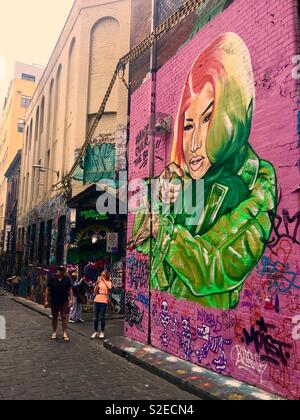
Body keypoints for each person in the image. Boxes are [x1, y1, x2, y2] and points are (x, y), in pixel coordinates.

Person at [128, 32, 277, 310]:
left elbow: (217, 268)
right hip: (170, 319)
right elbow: (144, 247)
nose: (194, 143)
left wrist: (163, 229)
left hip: (217, 333)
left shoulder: (256, 180)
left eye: (208, 119)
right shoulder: (185, 179)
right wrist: (158, 198)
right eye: (187, 125)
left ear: (231, 115)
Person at [45, 266, 73, 342]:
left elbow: (70, 289)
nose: (60, 272)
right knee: (54, 317)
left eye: (62, 271)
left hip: (64, 301)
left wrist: (71, 300)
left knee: (64, 317)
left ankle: (64, 333)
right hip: (54, 301)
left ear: (63, 272)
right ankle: (54, 332)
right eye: (59, 270)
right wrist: (46, 300)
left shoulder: (67, 279)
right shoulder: (52, 278)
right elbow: (48, 289)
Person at [91, 271, 112, 339]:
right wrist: (97, 284)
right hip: (97, 299)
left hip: (104, 300)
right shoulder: (99, 282)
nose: (102, 276)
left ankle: (102, 331)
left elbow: (109, 287)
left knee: (102, 317)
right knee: (95, 317)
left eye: (103, 275)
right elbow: (94, 291)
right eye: (101, 275)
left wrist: (103, 280)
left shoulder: (108, 282)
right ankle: (95, 331)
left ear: (106, 275)